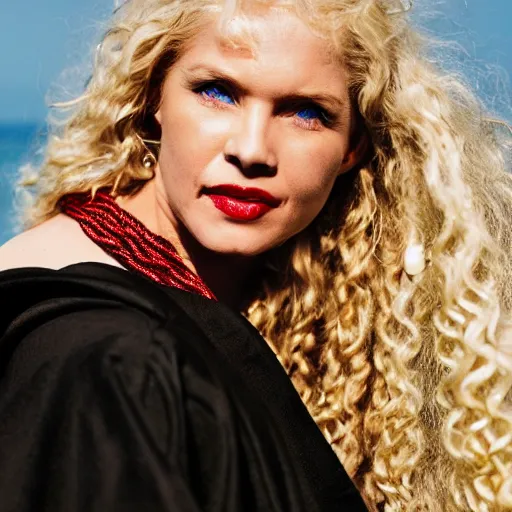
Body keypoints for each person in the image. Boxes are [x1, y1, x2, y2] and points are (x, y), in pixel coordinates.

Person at [0, 0, 510, 510]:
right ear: (155, 95)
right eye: (217, 92)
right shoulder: (106, 357)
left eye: (307, 113)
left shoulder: (314, 316)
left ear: (352, 146)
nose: (251, 150)